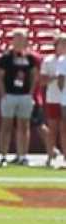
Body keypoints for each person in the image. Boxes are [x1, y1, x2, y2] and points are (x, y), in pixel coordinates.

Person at [0, 30, 42, 165]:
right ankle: (3, 156)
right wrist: (3, 94)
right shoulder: (6, 57)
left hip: (25, 95)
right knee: (6, 126)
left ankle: (23, 156)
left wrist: (31, 93)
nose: (19, 42)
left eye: (21, 39)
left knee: (24, 126)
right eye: (16, 39)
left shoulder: (30, 58)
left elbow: (34, 75)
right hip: (9, 95)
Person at [43, 32, 66, 168]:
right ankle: (50, 155)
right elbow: (42, 81)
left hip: (64, 99)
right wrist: (55, 78)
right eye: (61, 44)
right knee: (53, 129)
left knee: (64, 130)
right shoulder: (48, 61)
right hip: (53, 98)